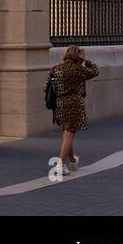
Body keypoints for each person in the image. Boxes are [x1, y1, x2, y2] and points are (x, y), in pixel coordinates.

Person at [49, 45, 98, 175]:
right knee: (69, 133)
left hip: (59, 103)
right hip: (74, 103)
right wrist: (86, 60)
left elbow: (49, 88)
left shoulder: (55, 69)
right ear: (77, 56)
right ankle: (60, 165)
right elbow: (95, 71)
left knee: (67, 133)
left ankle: (72, 160)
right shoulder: (78, 70)